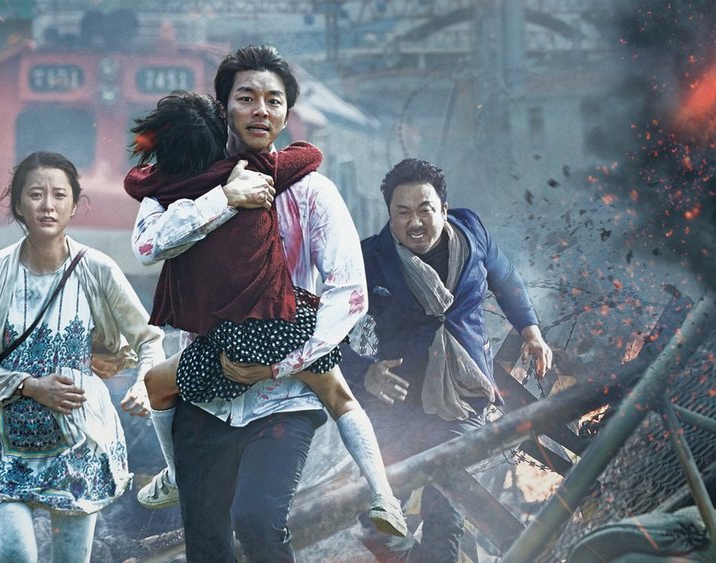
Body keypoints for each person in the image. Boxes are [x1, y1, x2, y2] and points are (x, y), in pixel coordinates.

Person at [124, 90, 405, 537]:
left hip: (227, 336)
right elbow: (304, 156)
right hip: (287, 318)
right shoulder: (256, 174)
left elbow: (144, 226)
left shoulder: (176, 194)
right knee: (340, 397)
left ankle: (175, 475)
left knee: (157, 384)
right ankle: (384, 494)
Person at [0, 151, 164, 562]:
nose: (47, 205)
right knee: (15, 553)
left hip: (76, 442)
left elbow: (149, 337)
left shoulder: (97, 269)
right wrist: (30, 386)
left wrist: (144, 382)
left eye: (59, 195)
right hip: (1, 442)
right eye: (35, 194)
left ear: (74, 205)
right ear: (18, 205)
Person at [341, 158, 554, 563]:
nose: (415, 223)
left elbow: (506, 279)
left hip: (463, 397)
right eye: (403, 212)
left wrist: (531, 332)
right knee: (375, 521)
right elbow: (327, 332)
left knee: (445, 506)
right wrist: (365, 373)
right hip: (397, 405)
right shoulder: (368, 258)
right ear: (390, 215)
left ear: (444, 208)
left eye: (425, 210)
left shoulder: (472, 233)